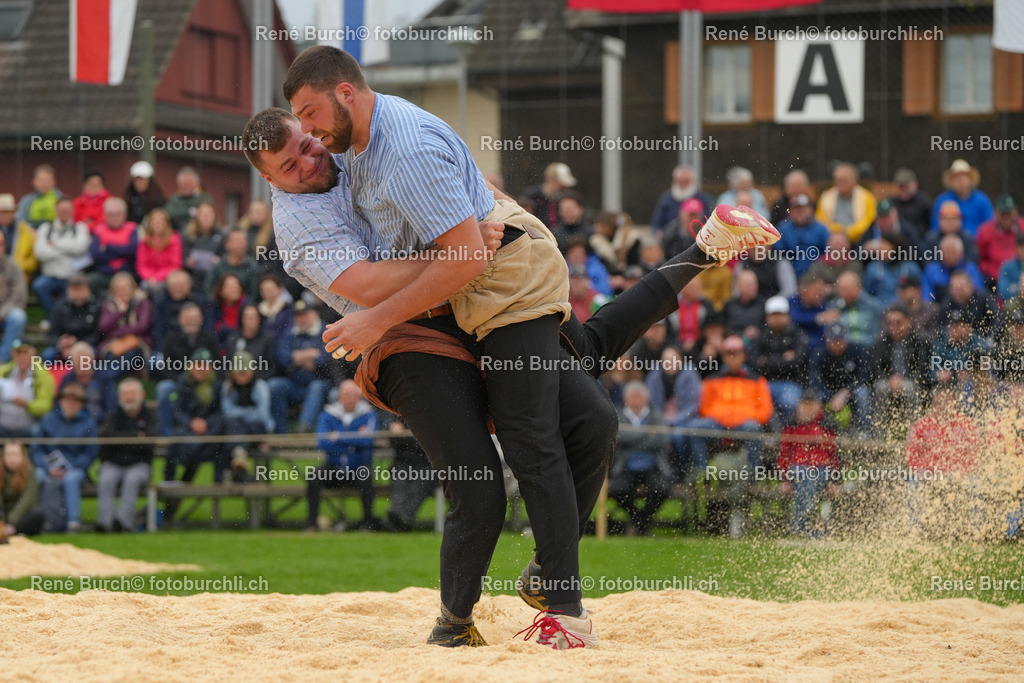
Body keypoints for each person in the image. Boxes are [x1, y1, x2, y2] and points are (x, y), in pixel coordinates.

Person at [245, 92, 777, 647]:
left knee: (593, 417)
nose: (308, 161)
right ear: (272, 181)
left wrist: (487, 218)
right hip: (403, 333)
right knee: (480, 484)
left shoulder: (358, 141)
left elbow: (461, 184)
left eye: (307, 145)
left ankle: (550, 578)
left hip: (474, 285)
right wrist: (463, 247)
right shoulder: (299, 224)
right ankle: (454, 624)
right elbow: (373, 287)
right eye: (290, 165)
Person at [687, 335, 774, 472]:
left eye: (736, 354)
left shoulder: (757, 380)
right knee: (696, 428)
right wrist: (724, 418)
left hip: (745, 424)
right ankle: (702, 474)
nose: (733, 358)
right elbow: (704, 407)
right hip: (717, 424)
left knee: (753, 429)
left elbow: (765, 410)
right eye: (729, 355)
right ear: (723, 357)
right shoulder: (712, 379)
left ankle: (752, 475)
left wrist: (741, 417)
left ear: (743, 356)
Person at [307, 380, 379, 531]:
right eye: (346, 395)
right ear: (339, 396)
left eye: (354, 395)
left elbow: (367, 440)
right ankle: (312, 524)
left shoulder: (368, 413)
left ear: (360, 396)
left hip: (358, 467)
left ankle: (367, 523)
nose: (350, 398)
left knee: (366, 478)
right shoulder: (328, 413)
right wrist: (353, 443)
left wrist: (338, 436)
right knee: (314, 476)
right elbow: (323, 442)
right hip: (334, 467)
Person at [30, 382, 98, 533]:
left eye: (75, 402)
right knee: (37, 476)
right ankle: (35, 520)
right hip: (48, 466)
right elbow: (36, 449)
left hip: (75, 469)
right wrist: (47, 466)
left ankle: (73, 523)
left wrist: (69, 466)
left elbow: (90, 453)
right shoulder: (48, 420)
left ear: (81, 404)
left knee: (71, 479)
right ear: (61, 401)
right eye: (68, 401)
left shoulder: (88, 423)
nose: (71, 405)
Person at [608, 381, 673, 536]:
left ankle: (640, 522)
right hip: (625, 467)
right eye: (633, 396)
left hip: (653, 467)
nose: (636, 400)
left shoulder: (656, 414)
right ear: (626, 399)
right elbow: (617, 436)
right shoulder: (617, 414)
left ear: (646, 398)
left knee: (662, 488)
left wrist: (631, 440)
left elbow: (662, 438)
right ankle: (641, 522)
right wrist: (646, 433)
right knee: (617, 489)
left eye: (639, 396)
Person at [96, 378, 156, 532]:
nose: (129, 398)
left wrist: (122, 439)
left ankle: (123, 524)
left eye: (132, 394)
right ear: (119, 396)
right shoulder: (113, 414)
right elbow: (106, 436)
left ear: (141, 395)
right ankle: (105, 523)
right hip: (113, 464)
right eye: (125, 394)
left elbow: (150, 441)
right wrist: (136, 436)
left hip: (139, 465)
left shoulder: (149, 416)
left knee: (132, 480)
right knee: (105, 480)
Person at [777, 390, 839, 536]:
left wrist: (836, 481)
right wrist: (784, 479)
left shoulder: (828, 425)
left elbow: (836, 456)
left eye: (811, 405)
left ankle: (801, 525)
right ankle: (810, 525)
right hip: (797, 470)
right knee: (805, 475)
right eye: (805, 405)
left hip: (823, 471)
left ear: (818, 407)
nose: (807, 409)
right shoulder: (791, 424)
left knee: (809, 476)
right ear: (799, 406)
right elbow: (783, 455)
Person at [162, 348, 227, 484]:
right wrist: (191, 423)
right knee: (177, 443)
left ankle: (219, 482)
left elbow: (221, 411)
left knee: (215, 446)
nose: (200, 369)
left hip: (210, 432)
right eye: (197, 364)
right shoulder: (182, 382)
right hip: (187, 430)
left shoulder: (218, 384)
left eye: (204, 365)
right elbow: (177, 409)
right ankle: (169, 482)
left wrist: (206, 424)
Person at [269, 299, 330, 434]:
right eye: (298, 316)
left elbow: (326, 359)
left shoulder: (326, 331)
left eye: (305, 315)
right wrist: (310, 355)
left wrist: (297, 358)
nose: (301, 319)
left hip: (320, 383)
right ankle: (281, 433)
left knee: (317, 387)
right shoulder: (290, 332)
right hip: (295, 384)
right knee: (275, 386)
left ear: (315, 315)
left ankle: (303, 428)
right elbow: (282, 357)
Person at [748, 295, 809, 421]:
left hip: (790, 383)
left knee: (789, 403)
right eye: (773, 315)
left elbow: (798, 361)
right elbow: (753, 362)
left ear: (787, 316)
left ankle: (785, 436)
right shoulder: (761, 336)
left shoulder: (796, 334)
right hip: (764, 382)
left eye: (780, 315)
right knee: (752, 404)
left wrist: (766, 360)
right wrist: (784, 359)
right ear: (767, 317)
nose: (777, 319)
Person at [809, 322, 872, 433]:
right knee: (815, 396)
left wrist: (846, 391)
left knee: (863, 393)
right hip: (827, 392)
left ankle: (864, 432)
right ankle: (817, 431)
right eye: (833, 341)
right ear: (827, 340)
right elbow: (814, 379)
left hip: (850, 391)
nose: (837, 344)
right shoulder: (819, 354)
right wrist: (829, 395)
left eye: (840, 340)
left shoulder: (857, 351)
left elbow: (865, 375)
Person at [221, 352, 273, 482]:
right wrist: (249, 412)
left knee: (233, 425)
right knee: (230, 423)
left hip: (258, 429)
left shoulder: (260, 386)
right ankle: (241, 471)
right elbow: (226, 411)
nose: (242, 375)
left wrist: (240, 414)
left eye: (245, 372)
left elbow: (262, 415)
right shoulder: (227, 386)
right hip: (239, 430)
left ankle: (236, 467)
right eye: (239, 372)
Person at [97, 272, 152, 367]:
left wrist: (117, 332)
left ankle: (106, 378)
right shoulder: (109, 304)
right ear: (113, 291)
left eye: (126, 287)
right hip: (115, 343)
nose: (123, 291)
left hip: (137, 342)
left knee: (129, 356)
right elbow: (103, 327)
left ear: (133, 288)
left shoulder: (142, 302)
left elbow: (143, 326)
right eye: (119, 288)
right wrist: (119, 312)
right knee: (110, 357)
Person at [0, 342, 54, 438]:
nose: (22, 357)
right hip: (2, 424)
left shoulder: (44, 377)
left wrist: (26, 404)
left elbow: (46, 407)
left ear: (33, 354)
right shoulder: (2, 372)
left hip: (28, 426)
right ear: (13, 354)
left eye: (25, 353)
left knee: (39, 431)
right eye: (18, 353)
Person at [816, 162, 877, 244]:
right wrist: (838, 233)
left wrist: (848, 233)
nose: (840, 184)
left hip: (859, 241)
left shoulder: (867, 198)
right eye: (837, 180)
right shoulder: (826, 198)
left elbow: (869, 222)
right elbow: (821, 221)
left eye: (844, 181)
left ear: (854, 181)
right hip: (832, 241)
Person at [930, 159, 993, 237]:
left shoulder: (982, 200)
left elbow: (990, 226)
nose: (960, 181)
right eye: (956, 178)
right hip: (949, 244)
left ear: (970, 179)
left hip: (977, 244)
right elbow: (936, 227)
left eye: (964, 177)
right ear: (951, 181)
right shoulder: (942, 200)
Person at [88, 197, 139, 293]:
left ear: (124, 215)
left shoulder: (132, 228)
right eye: (111, 215)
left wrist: (108, 247)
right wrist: (122, 250)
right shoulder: (98, 230)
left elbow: (133, 250)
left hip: (127, 272)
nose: (114, 218)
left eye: (117, 214)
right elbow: (96, 255)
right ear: (105, 215)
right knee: (90, 280)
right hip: (104, 273)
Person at [773, 194, 830, 277]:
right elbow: (777, 253)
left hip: (816, 274)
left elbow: (827, 253)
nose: (799, 213)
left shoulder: (821, 229)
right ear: (790, 211)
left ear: (810, 210)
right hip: (790, 275)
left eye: (803, 209)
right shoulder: (783, 229)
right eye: (796, 209)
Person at [975, 194, 1023, 287]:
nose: (1006, 217)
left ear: (1015, 212)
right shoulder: (985, 231)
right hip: (993, 280)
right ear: (995, 213)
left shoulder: (1022, 227)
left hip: (1019, 276)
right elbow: (981, 258)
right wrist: (990, 271)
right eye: (1002, 214)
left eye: (1008, 213)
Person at [1, 442, 46, 538]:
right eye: (9, 454)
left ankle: (13, 531)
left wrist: (11, 522)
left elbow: (27, 500)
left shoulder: (30, 472)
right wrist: (2, 522)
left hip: (21, 516)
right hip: (3, 515)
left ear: (22, 456)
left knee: (38, 514)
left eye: (15, 454)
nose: (12, 458)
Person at [651, 164, 713, 233]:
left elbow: (709, 221)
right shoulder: (666, 198)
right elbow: (657, 222)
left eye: (686, 181)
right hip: (670, 238)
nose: (683, 183)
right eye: (680, 181)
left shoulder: (703, 198)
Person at [136, 208, 183, 296]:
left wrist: (157, 278)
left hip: (166, 278)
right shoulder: (144, 241)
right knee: (145, 287)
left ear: (166, 224)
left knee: (159, 289)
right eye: (154, 221)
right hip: (148, 279)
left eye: (161, 221)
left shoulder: (174, 239)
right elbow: (141, 265)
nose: (158, 224)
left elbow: (175, 264)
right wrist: (150, 277)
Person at [224, 303, 277, 380]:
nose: (251, 321)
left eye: (254, 317)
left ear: (259, 319)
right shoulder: (232, 339)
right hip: (235, 381)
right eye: (248, 317)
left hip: (259, 380)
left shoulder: (268, 339)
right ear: (241, 319)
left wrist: (250, 378)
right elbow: (226, 365)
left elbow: (271, 368)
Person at [205, 229, 258, 299]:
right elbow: (209, 289)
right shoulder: (218, 266)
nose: (242, 244)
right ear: (227, 244)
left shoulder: (252, 265)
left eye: (244, 240)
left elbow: (254, 294)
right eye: (237, 241)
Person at [0, 231, 28, 363]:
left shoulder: (14, 267)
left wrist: (1, 313)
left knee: (18, 316)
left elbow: (18, 297)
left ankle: (3, 361)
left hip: (6, 314)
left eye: (1, 245)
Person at [525, 162, 577, 229]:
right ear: (550, 180)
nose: (564, 188)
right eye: (561, 184)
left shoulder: (565, 198)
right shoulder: (532, 196)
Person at [183, 201, 225, 280]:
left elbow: (226, 258)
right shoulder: (188, 235)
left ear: (215, 216)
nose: (206, 217)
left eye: (209, 213)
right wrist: (188, 262)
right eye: (202, 214)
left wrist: (219, 262)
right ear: (197, 217)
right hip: (193, 276)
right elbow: (183, 258)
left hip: (215, 276)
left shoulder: (222, 235)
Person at [0, 193, 38, 279]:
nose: (5, 215)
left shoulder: (25, 229)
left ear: (14, 212)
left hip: (19, 274)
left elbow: (33, 258)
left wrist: (19, 266)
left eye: (8, 211)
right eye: (2, 211)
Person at [163, 167, 213, 231]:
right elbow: (168, 214)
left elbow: (208, 216)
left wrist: (180, 211)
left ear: (197, 184)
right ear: (179, 184)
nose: (187, 186)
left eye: (189, 184)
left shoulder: (204, 198)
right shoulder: (174, 199)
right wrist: (191, 211)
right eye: (184, 184)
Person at [724, 269, 765, 339]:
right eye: (749, 284)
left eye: (754, 284)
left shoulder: (763, 304)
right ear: (738, 286)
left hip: (759, 343)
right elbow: (725, 329)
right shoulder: (729, 305)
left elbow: (768, 329)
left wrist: (758, 333)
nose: (753, 287)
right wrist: (741, 335)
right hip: (734, 343)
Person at [890, 167, 931, 235]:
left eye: (906, 186)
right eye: (900, 186)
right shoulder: (891, 204)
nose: (903, 189)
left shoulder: (924, 203)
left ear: (915, 184)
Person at [211, 273, 248, 345]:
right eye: (231, 287)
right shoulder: (214, 307)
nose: (235, 289)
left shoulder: (247, 307)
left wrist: (224, 330)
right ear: (221, 290)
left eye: (237, 286)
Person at [997, 233, 1024, 302]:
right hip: (1017, 301)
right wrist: (1019, 288)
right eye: (1021, 246)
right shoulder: (1007, 267)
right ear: (1016, 248)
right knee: (1010, 306)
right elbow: (1003, 292)